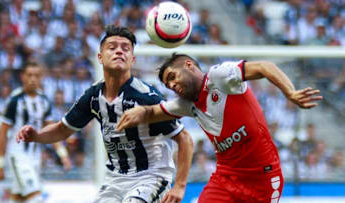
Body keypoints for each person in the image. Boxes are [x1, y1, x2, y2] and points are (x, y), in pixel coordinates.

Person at [17, 25, 193, 203]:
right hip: (115, 180)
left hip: (151, 176)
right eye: (112, 47)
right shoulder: (93, 96)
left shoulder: (146, 97)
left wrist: (179, 185)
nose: (119, 52)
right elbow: (63, 129)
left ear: (132, 59)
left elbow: (184, 138)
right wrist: (37, 136)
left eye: (125, 48)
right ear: (100, 57)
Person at [116, 53, 323, 202]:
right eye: (168, 86)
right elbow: (155, 111)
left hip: (263, 179)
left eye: (172, 77)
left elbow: (264, 66)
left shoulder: (220, 77)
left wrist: (290, 92)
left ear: (188, 65)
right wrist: (139, 113)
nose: (172, 86)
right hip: (226, 179)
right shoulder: (187, 105)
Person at [0, 62, 72, 203]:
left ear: (41, 77)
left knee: (19, 198)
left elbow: (52, 131)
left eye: (36, 75)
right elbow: (2, 133)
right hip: (17, 155)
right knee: (36, 197)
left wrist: (63, 154)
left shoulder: (44, 101)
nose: (33, 79)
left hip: (35, 157)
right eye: (29, 75)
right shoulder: (14, 101)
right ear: (23, 77)